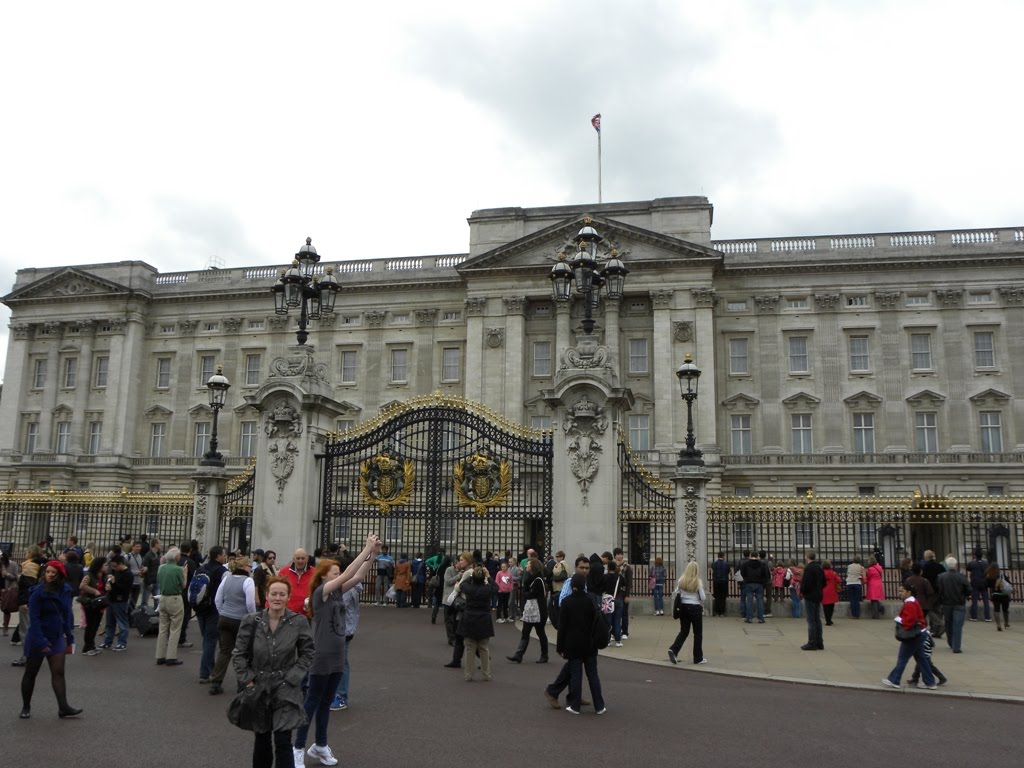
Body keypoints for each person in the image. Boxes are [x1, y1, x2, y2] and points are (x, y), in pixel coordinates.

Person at [293, 534, 380, 767]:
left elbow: (359, 575)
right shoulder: (320, 593)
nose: (338, 573)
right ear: (324, 575)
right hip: (320, 655)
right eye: (334, 571)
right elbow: (349, 573)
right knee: (311, 702)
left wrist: (372, 555)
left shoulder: (338, 592)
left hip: (337, 655)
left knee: (325, 703)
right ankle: (298, 747)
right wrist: (366, 548)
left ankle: (320, 745)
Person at [232, 576, 315, 768]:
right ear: (267, 596)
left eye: (282, 594)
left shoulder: (299, 622)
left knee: (283, 739)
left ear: (288, 597)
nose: (278, 598)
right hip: (258, 686)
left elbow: (308, 652)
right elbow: (239, 654)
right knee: (261, 738)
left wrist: (293, 677)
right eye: (274, 594)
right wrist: (248, 681)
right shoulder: (251, 621)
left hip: (286, 686)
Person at [19, 560, 80, 718]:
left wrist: (69, 635)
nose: (50, 574)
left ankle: (63, 707)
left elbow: (66, 614)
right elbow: (34, 619)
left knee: (59, 672)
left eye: (54, 572)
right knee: (31, 673)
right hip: (38, 637)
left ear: (60, 574)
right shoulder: (37, 592)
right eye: (48, 572)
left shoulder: (65, 590)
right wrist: (41, 641)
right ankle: (26, 707)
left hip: (57, 636)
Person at [547, 573, 606, 715]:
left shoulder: (567, 602)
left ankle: (575, 705)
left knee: (576, 675)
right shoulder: (590, 600)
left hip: (572, 644)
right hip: (589, 643)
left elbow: (563, 628)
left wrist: (560, 647)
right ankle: (600, 706)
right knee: (593, 675)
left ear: (572, 586)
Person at [209, 556, 257, 695]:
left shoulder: (226, 579)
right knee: (242, 652)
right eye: (249, 566)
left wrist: (222, 611)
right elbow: (250, 603)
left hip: (224, 618)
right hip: (240, 620)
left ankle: (216, 682)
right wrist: (252, 618)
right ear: (244, 567)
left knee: (224, 651)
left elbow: (218, 599)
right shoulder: (248, 581)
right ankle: (242, 683)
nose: (251, 568)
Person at [882, 583, 937, 690]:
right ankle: (930, 682)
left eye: (902, 591)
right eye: (899, 591)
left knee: (903, 658)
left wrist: (898, 619)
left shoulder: (910, 604)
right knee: (922, 659)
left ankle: (894, 680)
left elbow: (910, 620)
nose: (899, 593)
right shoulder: (912, 602)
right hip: (920, 633)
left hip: (914, 635)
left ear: (909, 592)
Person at [195, 546, 229, 683]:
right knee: (210, 641)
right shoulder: (222, 571)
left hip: (200, 608)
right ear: (219, 556)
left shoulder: (201, 568)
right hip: (214, 609)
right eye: (224, 554)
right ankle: (206, 672)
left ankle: (208, 667)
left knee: (206, 639)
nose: (225, 556)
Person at [330, 570, 362, 711]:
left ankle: (340, 695)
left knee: (341, 662)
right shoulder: (348, 586)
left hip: (342, 629)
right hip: (342, 628)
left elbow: (338, 606)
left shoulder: (345, 588)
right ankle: (336, 693)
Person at [507, 558, 549, 662]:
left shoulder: (539, 580)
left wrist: (526, 593)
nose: (526, 566)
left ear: (533, 566)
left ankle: (545, 655)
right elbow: (527, 592)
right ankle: (518, 655)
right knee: (525, 632)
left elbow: (531, 594)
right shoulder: (529, 578)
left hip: (538, 610)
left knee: (540, 633)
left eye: (528, 564)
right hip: (530, 609)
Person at [459, 564, 495, 681]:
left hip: (469, 618)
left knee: (469, 648)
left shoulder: (469, 588)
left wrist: (471, 576)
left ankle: (468, 674)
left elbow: (462, 584)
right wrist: (488, 576)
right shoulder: (487, 589)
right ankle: (487, 674)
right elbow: (496, 587)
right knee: (484, 648)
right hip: (484, 619)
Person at [667, 562, 707, 665]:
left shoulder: (681, 580)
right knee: (697, 634)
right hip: (695, 608)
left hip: (683, 608)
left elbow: (676, 592)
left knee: (684, 632)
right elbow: (703, 597)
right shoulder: (698, 582)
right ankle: (698, 658)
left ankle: (674, 650)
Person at [155, 546, 186, 667]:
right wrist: (185, 573)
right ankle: (171, 656)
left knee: (162, 628)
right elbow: (183, 585)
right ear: (176, 557)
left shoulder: (161, 568)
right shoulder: (178, 569)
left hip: (163, 598)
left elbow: (158, 580)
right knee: (175, 629)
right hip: (174, 598)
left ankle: (160, 655)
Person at [936, 556, 970, 653]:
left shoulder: (941, 577)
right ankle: (956, 646)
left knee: (949, 623)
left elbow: (939, 590)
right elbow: (969, 589)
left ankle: (951, 642)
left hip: (947, 603)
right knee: (957, 625)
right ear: (956, 565)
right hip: (959, 603)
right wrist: (964, 595)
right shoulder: (961, 577)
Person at [101, 554, 133, 652]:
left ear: (121, 564)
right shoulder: (116, 572)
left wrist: (114, 583)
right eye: (112, 566)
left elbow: (125, 589)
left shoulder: (128, 574)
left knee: (122, 622)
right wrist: (109, 584)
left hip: (120, 600)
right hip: (111, 598)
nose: (114, 568)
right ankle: (107, 642)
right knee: (109, 623)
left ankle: (122, 643)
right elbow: (113, 585)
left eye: (115, 566)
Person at [78, 556, 107, 655]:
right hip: (90, 603)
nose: (107, 566)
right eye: (105, 565)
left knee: (95, 625)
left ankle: (92, 645)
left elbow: (105, 589)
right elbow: (82, 585)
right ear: (99, 565)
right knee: (90, 625)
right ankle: (87, 647)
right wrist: (94, 591)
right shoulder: (89, 575)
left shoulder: (104, 576)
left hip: (100, 603)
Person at [800, 551, 825, 651]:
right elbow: (824, 581)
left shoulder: (809, 568)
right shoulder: (819, 567)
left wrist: (803, 591)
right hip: (818, 594)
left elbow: (806, 583)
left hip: (810, 595)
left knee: (811, 620)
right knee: (817, 619)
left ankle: (812, 642)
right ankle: (819, 642)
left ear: (807, 557)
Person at [920, 549, 946, 637]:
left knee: (928, 609)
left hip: (930, 592)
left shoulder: (924, 567)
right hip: (939, 591)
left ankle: (939, 624)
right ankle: (937, 631)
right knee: (937, 610)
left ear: (926, 557)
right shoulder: (940, 566)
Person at [280, 549, 313, 615]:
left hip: (307, 615)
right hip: (287, 614)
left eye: (303, 558)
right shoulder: (284, 572)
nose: (300, 561)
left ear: (307, 559)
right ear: (293, 559)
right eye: (298, 558)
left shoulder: (314, 573)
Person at [740, 550, 767, 623]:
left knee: (749, 601)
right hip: (759, 584)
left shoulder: (745, 564)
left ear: (750, 556)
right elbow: (766, 575)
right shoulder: (762, 564)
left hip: (749, 583)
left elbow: (742, 573)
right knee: (760, 601)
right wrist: (763, 582)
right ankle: (761, 618)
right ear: (757, 556)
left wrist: (746, 579)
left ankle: (749, 618)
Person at [965, 548, 991, 622]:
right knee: (986, 601)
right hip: (984, 583)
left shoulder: (972, 563)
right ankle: (987, 617)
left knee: (974, 601)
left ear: (975, 555)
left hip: (975, 583)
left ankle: (974, 616)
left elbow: (968, 568)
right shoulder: (986, 563)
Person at [986, 562, 1011, 630]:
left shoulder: (990, 576)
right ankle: (1006, 623)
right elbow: (1009, 583)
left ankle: (998, 625)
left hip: (995, 595)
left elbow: (987, 585)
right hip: (1004, 595)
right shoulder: (1002, 575)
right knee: (1005, 609)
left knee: (996, 610)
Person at [140, 538, 162, 609]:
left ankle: (155, 615)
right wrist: (148, 582)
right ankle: (143, 616)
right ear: (155, 544)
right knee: (145, 601)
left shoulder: (157, 555)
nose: (161, 545)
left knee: (157, 601)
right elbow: (145, 570)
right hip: (149, 582)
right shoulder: (148, 555)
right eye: (159, 543)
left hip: (157, 580)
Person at [821, 560, 842, 626]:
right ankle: (829, 619)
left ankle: (828, 620)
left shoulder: (821, 573)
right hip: (832, 591)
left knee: (825, 607)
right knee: (831, 606)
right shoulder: (833, 573)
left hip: (824, 590)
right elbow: (839, 580)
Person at [710, 552, 730, 617]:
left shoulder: (714, 564)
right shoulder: (726, 564)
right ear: (723, 556)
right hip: (724, 581)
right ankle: (722, 612)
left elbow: (713, 569)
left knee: (717, 596)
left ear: (717, 556)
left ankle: (716, 612)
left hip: (716, 581)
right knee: (723, 597)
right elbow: (728, 571)